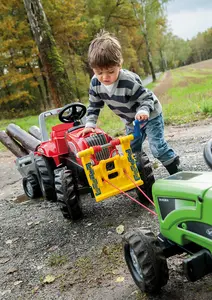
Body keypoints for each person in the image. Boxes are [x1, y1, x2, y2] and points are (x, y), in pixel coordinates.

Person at [80, 31, 181, 175]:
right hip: (131, 122)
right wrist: (90, 124)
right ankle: (143, 179)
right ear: (93, 69)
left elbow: (146, 97)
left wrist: (143, 111)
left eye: (110, 71)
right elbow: (94, 105)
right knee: (132, 151)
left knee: (156, 147)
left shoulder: (127, 81)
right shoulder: (95, 83)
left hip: (150, 114)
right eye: (99, 72)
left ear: (119, 65)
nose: (105, 77)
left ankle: (176, 171)